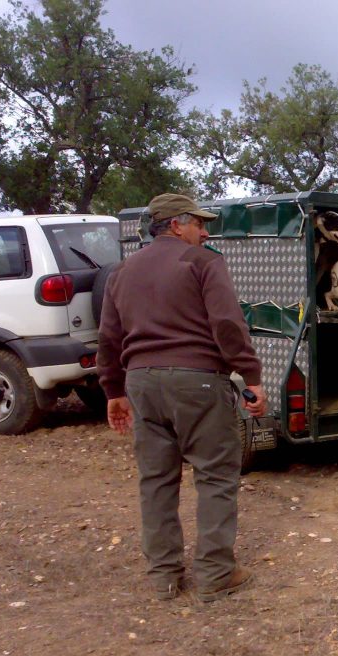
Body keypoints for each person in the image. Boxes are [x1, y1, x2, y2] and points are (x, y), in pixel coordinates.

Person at [97, 193, 267, 602]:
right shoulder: (204, 263)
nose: (205, 231)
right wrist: (252, 376)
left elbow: (109, 337)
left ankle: (164, 578)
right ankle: (215, 574)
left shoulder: (121, 271)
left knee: (156, 481)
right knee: (214, 475)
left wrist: (114, 391)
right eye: (198, 223)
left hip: (141, 384)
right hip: (196, 382)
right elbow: (227, 323)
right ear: (176, 224)